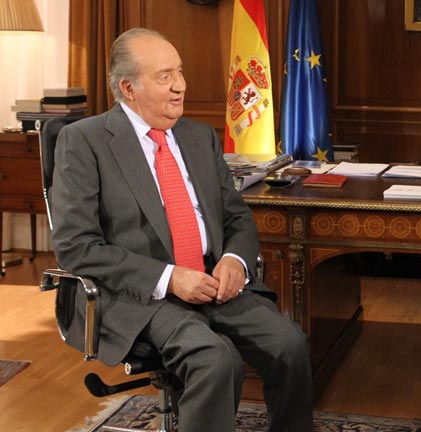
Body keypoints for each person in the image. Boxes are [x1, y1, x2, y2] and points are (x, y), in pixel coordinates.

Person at [51, 28, 312, 432]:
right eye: (164, 76)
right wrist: (171, 278)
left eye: (180, 72)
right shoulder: (85, 141)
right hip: (139, 295)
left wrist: (234, 260)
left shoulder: (198, 136)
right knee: (216, 358)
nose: (180, 86)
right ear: (128, 88)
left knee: (289, 345)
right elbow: (76, 247)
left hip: (212, 282)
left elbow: (237, 217)